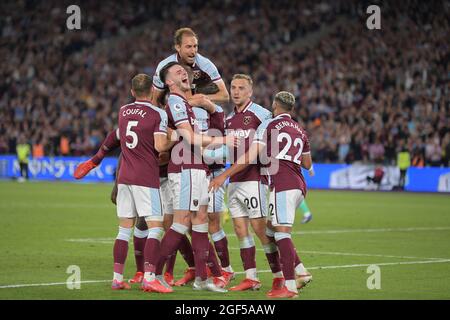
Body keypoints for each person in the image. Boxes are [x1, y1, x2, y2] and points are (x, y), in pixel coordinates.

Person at [210, 91, 313, 298]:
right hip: (299, 185)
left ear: (275, 105)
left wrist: (224, 175)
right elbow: (307, 164)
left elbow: (251, 155)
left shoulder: (269, 124)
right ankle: (300, 270)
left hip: (281, 183)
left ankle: (290, 286)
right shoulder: (300, 130)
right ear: (292, 109)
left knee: (280, 233)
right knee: (271, 229)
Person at [154, 61, 236, 292]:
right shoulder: (175, 102)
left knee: (200, 220)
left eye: (185, 71)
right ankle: (154, 274)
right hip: (185, 167)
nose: (184, 73)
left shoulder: (185, 103)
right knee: (182, 221)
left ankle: (202, 279)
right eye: (178, 72)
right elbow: (190, 138)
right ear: (169, 82)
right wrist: (223, 140)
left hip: (199, 167)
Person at [219, 74, 283, 293]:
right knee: (239, 229)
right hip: (235, 181)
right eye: (233, 87)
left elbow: (275, 140)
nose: (236, 91)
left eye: (241, 88)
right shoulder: (228, 119)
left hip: (255, 179)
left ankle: (279, 276)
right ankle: (251, 277)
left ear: (250, 92)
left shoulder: (262, 114)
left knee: (259, 229)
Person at [151, 27, 229, 107]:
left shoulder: (205, 65)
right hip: (172, 110)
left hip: (199, 112)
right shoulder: (163, 67)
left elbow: (224, 96)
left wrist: (199, 99)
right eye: (188, 47)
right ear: (178, 47)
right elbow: (155, 100)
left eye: (195, 46)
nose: (193, 52)